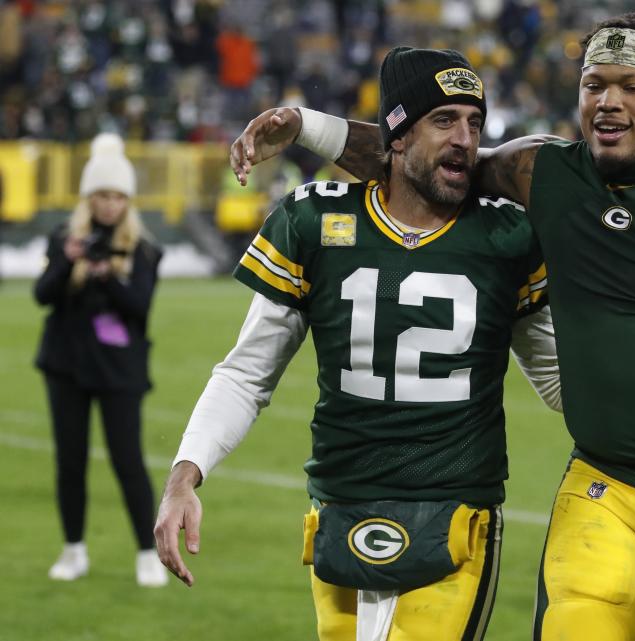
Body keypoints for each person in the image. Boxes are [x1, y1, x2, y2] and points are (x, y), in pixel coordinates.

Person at [231, 13, 635, 640]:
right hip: (607, 489)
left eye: (632, 86)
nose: (609, 102)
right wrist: (305, 127)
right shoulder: (546, 172)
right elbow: (429, 154)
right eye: (595, 84)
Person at [154, 47, 561, 641]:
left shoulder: (505, 234)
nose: (465, 140)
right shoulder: (313, 222)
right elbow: (246, 374)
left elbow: (557, 383)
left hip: (456, 515)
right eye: (444, 120)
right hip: (340, 511)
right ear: (394, 134)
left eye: (474, 123)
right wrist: (184, 476)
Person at [34, 132, 166, 587]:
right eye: (101, 195)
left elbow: (140, 306)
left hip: (119, 372)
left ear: (127, 200)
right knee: (69, 461)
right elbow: (42, 296)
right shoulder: (64, 237)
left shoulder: (143, 249)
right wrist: (65, 264)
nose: (109, 204)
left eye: (117, 196)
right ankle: (73, 550)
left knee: (127, 460)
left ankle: (147, 553)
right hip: (66, 365)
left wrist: (108, 275)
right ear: (88, 198)